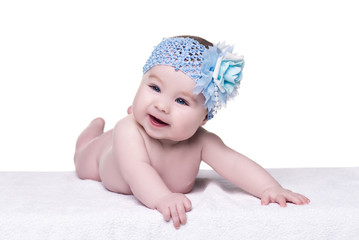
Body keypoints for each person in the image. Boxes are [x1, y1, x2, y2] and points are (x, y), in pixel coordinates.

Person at [74, 36, 310, 229]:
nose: (162, 106)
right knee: (84, 164)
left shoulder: (200, 142)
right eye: (155, 88)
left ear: (204, 118)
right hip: (103, 156)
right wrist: (161, 198)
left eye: (181, 101)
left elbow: (234, 164)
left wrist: (269, 188)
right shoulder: (129, 129)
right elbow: (137, 169)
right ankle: (92, 132)